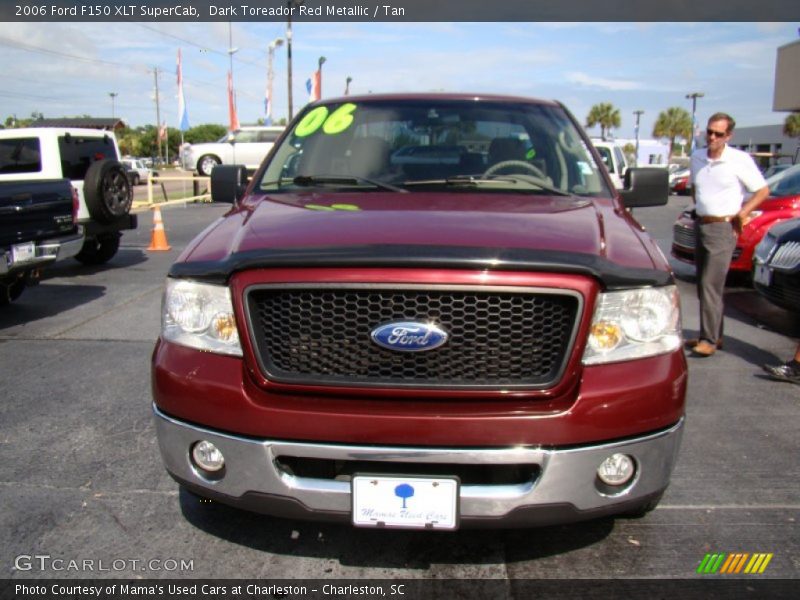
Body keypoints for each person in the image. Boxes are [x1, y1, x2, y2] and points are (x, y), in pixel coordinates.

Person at [686, 113, 769, 357]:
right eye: (709, 132)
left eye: (718, 134)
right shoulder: (697, 157)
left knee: (710, 284)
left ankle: (709, 340)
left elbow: (762, 190)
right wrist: (701, 209)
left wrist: (742, 213)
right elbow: (694, 188)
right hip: (702, 224)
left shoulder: (738, 160)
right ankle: (714, 333)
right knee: (704, 284)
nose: (712, 137)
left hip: (723, 228)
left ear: (728, 136)